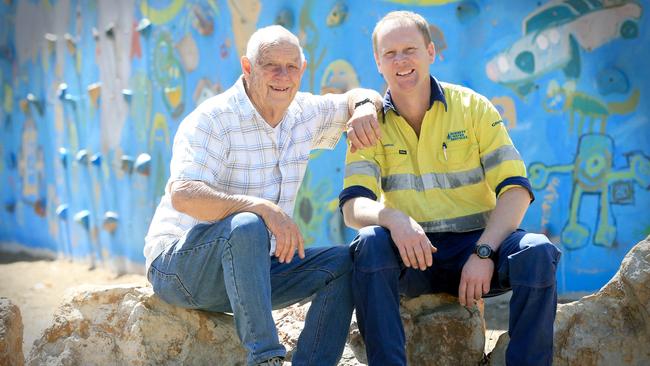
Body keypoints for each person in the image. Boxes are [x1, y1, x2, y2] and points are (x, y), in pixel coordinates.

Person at [144, 25, 382, 366]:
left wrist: (362, 108)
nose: (282, 76)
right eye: (271, 65)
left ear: (302, 70)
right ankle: (266, 358)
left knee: (344, 262)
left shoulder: (304, 113)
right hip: (180, 269)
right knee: (247, 224)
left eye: (291, 67)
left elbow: (359, 96)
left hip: (254, 274)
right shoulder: (212, 120)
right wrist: (261, 208)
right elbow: (183, 195)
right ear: (247, 67)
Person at [339, 11, 562, 366]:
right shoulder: (369, 123)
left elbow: (516, 190)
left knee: (536, 251)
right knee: (368, 244)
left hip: (475, 246)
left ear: (431, 52)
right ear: (378, 63)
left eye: (410, 49)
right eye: (390, 53)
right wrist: (395, 220)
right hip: (412, 252)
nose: (401, 60)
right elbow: (353, 207)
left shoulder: (473, 108)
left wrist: (485, 251)